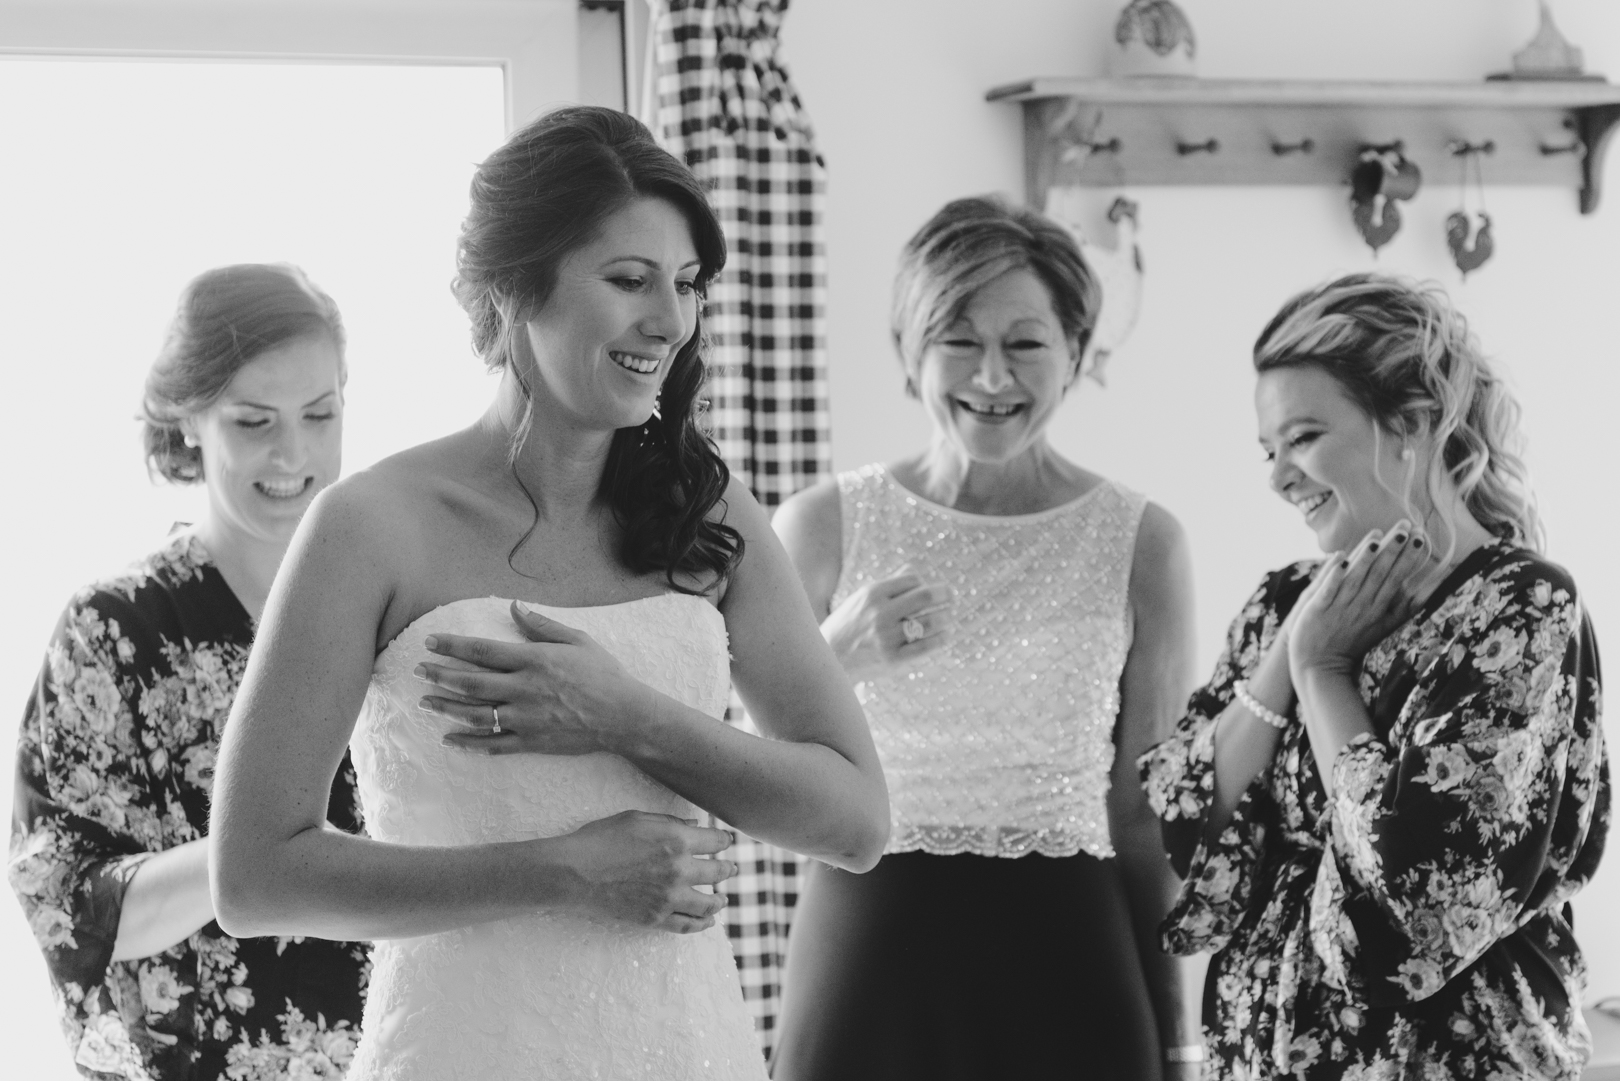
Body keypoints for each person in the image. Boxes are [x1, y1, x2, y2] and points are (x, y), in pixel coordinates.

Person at [206, 105, 889, 1081]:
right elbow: (254, 875)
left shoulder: (710, 510)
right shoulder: (372, 525)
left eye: (688, 285)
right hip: (463, 1048)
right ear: (516, 286)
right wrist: (561, 873)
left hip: (688, 1048)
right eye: (629, 280)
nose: (671, 320)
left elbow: (857, 821)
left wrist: (631, 717)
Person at [1138, 273, 1610, 1078]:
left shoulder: (1520, 607)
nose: (1280, 476)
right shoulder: (1283, 602)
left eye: (1305, 437)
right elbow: (1181, 819)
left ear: (1412, 424)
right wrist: (1289, 649)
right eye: (1269, 450)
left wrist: (1321, 672)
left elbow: (1424, 906)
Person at [769, 195, 1198, 1080]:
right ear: (908, 352)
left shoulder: (1145, 542)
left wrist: (1177, 1034)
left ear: (1075, 354)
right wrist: (837, 653)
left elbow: (1143, 815)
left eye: (1026, 343)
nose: (992, 377)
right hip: (870, 941)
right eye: (959, 339)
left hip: (1073, 946)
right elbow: (739, 773)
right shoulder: (818, 527)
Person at [8, 264, 369, 1079]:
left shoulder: (387, 610)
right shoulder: (114, 627)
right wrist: (268, 855)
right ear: (190, 419)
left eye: (320, 413)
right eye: (253, 420)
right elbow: (71, 903)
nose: (294, 451)